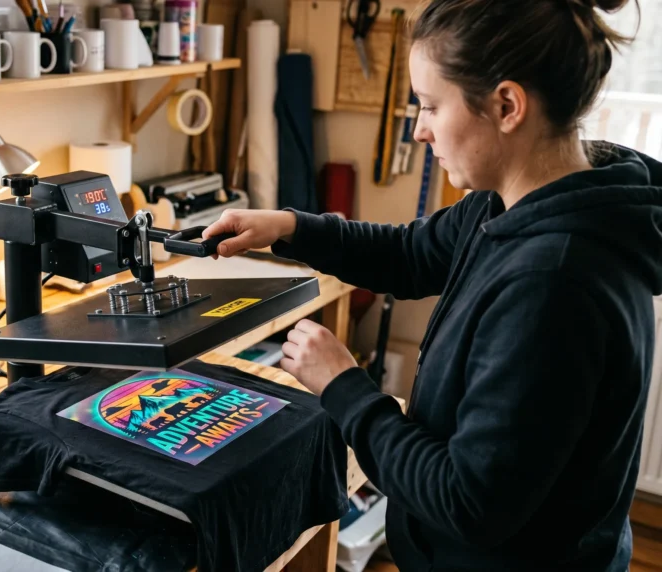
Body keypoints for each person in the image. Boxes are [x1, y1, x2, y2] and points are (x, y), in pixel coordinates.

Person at [203, 0, 661, 569]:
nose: (419, 129)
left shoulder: (555, 282)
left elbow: (467, 500)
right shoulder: (508, 204)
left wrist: (345, 387)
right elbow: (409, 254)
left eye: (431, 106)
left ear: (507, 105)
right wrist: (288, 228)